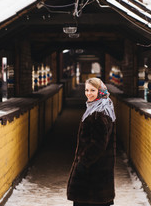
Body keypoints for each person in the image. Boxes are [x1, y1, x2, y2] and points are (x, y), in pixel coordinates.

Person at [67, 78, 116, 206]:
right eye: (87, 90)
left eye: (93, 90)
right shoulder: (102, 108)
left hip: (91, 177)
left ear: (100, 92)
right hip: (99, 176)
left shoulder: (97, 114)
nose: (89, 93)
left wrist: (83, 163)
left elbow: (99, 144)